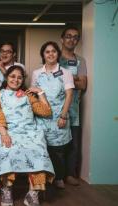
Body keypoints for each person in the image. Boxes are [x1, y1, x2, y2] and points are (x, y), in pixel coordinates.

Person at [0, 65, 54, 206]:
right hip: (7, 131)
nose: (16, 80)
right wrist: (4, 134)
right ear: (6, 78)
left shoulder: (28, 95)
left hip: (29, 132)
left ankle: (33, 193)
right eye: (12, 76)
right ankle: (7, 189)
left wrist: (41, 93)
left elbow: (46, 112)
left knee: (38, 149)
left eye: (19, 77)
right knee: (8, 149)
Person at [31, 41, 74, 189]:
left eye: (53, 51)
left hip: (58, 116)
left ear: (58, 54)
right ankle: (45, 179)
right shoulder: (37, 73)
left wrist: (63, 115)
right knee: (43, 148)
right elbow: (34, 95)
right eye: (47, 52)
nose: (50, 54)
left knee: (58, 150)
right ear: (43, 55)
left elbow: (69, 95)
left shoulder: (66, 73)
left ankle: (59, 177)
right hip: (41, 117)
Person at [59, 27, 87, 186]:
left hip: (74, 110)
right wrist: (73, 78)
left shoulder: (80, 60)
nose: (72, 40)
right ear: (62, 39)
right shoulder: (54, 57)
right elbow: (52, 82)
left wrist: (69, 80)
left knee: (73, 144)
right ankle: (58, 176)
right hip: (57, 109)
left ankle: (70, 174)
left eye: (75, 37)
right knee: (57, 144)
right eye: (68, 36)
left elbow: (82, 84)